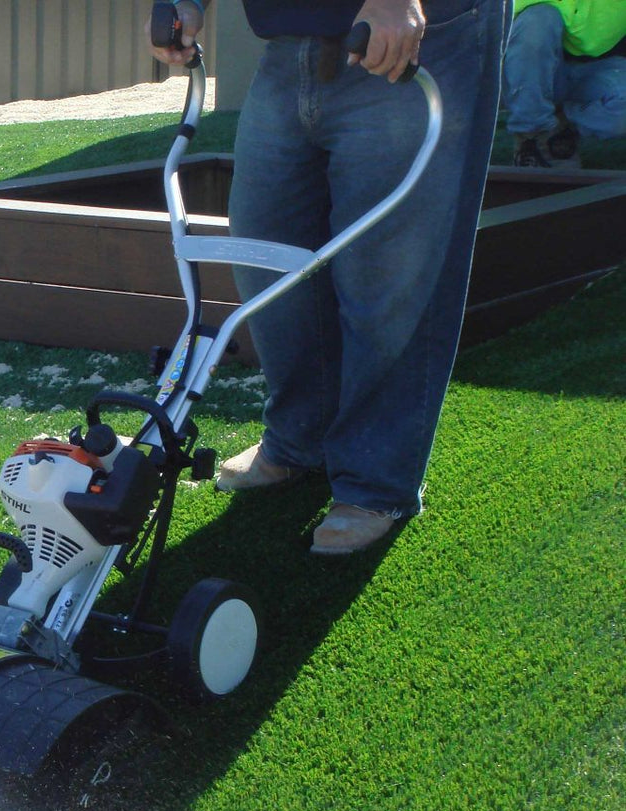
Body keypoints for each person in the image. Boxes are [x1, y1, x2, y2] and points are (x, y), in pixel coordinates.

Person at [151, 0, 507, 555]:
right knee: (267, 255)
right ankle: (299, 440)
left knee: (388, 277)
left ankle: (374, 482)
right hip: (292, 38)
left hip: (408, 39)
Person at [503, 0, 626, 167]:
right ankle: (531, 135)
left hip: (606, 74)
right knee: (536, 22)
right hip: (533, 73)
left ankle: (557, 129)